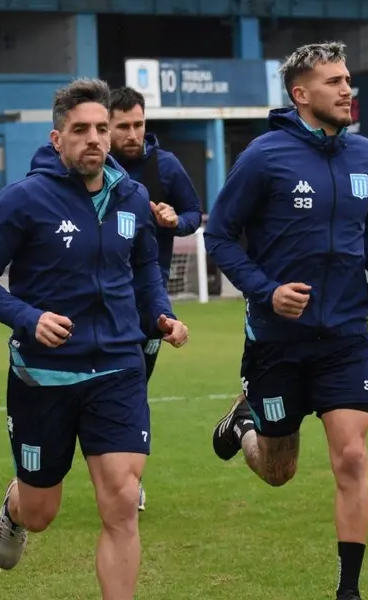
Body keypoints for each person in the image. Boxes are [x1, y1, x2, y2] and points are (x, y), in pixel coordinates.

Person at [0, 78, 189, 600]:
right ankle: (16, 508)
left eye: (102, 129)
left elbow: (146, 270)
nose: (94, 139)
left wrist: (161, 315)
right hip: (44, 375)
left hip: (117, 367)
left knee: (122, 502)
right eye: (80, 129)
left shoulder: (132, 195)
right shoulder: (23, 199)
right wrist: (27, 317)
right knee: (42, 513)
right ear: (56, 137)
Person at [205, 42, 368, 600]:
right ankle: (244, 425)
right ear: (301, 94)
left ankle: (349, 589)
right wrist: (267, 293)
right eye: (334, 82)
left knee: (352, 455)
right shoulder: (264, 156)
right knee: (278, 471)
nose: (347, 90)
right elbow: (219, 236)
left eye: (348, 81)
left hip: (345, 336)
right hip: (276, 342)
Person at [107, 85, 203, 512]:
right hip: (101, 289)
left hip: (150, 288)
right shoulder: (95, 170)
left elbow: (193, 214)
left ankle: (128, 478)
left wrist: (173, 220)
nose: (132, 134)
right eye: (123, 126)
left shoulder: (166, 166)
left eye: (138, 124)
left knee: (135, 384)